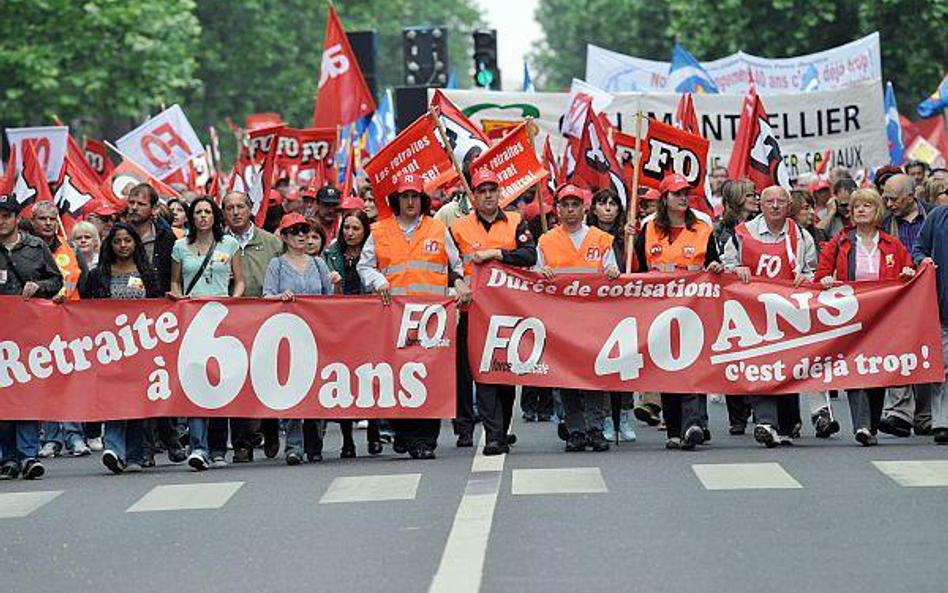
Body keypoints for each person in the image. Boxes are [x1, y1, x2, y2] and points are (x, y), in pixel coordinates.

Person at [357, 173, 470, 460]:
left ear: (422, 201)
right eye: (405, 196)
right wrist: (378, 282)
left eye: (415, 197)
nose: (410, 202)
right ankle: (404, 433)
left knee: (428, 378)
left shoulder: (436, 229)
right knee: (399, 377)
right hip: (393, 319)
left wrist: (456, 285)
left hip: (431, 319)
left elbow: (455, 265)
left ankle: (425, 441)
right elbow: (364, 266)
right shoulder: (380, 230)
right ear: (397, 200)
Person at [816, 188, 916, 445]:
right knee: (854, 368)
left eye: (867, 206)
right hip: (849, 317)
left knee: (877, 369)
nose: (860, 209)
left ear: (877, 212)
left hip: (883, 319)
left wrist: (909, 271)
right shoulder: (840, 241)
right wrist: (826, 279)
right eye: (857, 206)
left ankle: (870, 426)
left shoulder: (892, 244)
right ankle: (861, 425)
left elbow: (910, 272)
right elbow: (821, 274)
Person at [723, 185, 819, 447]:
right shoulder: (742, 234)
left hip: (789, 315)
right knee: (762, 365)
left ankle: (787, 424)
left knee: (787, 366)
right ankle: (765, 421)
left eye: (780, 201)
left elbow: (814, 271)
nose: (775, 206)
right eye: (769, 201)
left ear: (789, 206)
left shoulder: (801, 236)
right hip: (754, 315)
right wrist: (737, 270)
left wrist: (806, 278)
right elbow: (726, 268)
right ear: (760, 205)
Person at [633, 173, 723, 451]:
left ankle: (694, 424)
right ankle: (674, 429)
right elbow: (634, 270)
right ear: (665, 198)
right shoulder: (647, 231)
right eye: (677, 194)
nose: (683, 198)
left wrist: (716, 268)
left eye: (686, 193)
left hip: (693, 310)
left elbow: (714, 263)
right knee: (667, 367)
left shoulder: (702, 229)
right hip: (658, 311)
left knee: (693, 365)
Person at [452, 168, 537, 455]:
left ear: (500, 192)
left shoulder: (516, 220)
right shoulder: (459, 227)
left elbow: (529, 256)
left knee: (505, 371)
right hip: (473, 311)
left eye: (492, 190)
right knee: (482, 370)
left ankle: (501, 428)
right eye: (482, 191)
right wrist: (458, 282)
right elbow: (450, 265)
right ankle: (493, 435)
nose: (488, 196)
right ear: (473, 195)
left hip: (509, 311)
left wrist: (497, 254)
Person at [537, 183, 619, 453]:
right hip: (560, 322)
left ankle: (595, 429)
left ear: (584, 208)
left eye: (575, 205)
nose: (570, 210)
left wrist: (611, 274)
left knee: (594, 375)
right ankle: (575, 430)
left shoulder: (600, 239)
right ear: (557, 209)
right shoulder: (546, 241)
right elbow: (534, 280)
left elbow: (613, 272)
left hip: (593, 320)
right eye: (565, 205)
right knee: (566, 378)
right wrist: (542, 274)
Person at [169, 197, 246, 470]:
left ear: (215, 216)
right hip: (192, 321)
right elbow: (176, 281)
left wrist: (234, 303)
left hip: (222, 319)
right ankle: (198, 447)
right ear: (192, 217)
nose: (203, 216)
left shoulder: (230, 244)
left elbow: (240, 281)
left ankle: (217, 450)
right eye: (198, 212)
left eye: (207, 212)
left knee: (219, 382)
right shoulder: (180, 246)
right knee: (195, 382)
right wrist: (179, 300)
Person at [81, 223, 163, 471]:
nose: (123, 245)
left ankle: (135, 456)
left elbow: (159, 307)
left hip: (140, 348)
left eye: (128, 240)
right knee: (113, 399)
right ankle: (114, 449)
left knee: (136, 402)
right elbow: (84, 308)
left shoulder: (147, 274)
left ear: (135, 243)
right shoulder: (97, 275)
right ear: (110, 244)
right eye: (118, 241)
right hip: (109, 348)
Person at [0, 193, 63, 480]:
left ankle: (28, 456)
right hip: (1, 336)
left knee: (24, 394)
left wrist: (38, 286)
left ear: (16, 218)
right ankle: (7, 458)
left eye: (6, 215)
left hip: (28, 334)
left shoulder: (35, 247)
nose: (2, 221)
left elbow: (56, 280)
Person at [263, 213, 333, 465]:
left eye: (305, 229)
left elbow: (329, 299)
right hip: (289, 336)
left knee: (317, 386)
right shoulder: (277, 265)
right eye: (296, 231)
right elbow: (266, 296)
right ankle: (293, 444)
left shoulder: (318, 264)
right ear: (284, 237)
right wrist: (280, 296)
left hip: (316, 335)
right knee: (293, 389)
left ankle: (315, 440)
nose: (302, 235)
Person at [222, 190, 285, 462]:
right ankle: (241, 443)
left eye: (240, 207)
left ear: (250, 210)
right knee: (234, 380)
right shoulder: (218, 243)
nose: (235, 212)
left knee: (266, 378)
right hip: (229, 321)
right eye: (229, 208)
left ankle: (270, 429)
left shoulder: (271, 242)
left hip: (265, 320)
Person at [28, 202, 91, 459]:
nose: (48, 224)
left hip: (70, 324)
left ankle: (76, 436)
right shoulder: (26, 250)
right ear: (33, 222)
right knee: (48, 383)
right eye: (42, 219)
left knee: (71, 381)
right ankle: (52, 438)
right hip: (38, 326)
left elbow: (85, 282)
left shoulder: (72, 248)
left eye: (52, 219)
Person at [878, 173, 934, 437]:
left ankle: (925, 416)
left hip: (930, 297)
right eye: (885, 198)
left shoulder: (935, 217)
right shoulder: (884, 222)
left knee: (926, 354)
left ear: (911, 197)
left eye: (893, 199)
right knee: (898, 351)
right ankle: (899, 413)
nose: (888, 204)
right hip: (897, 298)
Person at [324, 208, 384, 456]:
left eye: (356, 228)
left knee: (371, 377)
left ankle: (374, 432)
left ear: (365, 231)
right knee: (344, 379)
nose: (350, 233)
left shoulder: (373, 254)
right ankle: (347, 440)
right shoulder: (332, 253)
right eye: (346, 228)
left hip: (369, 322)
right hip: (341, 323)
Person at [587, 187, 636, 442]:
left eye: (613, 204)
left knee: (625, 362)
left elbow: (638, 269)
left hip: (624, 308)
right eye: (602, 203)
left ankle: (625, 414)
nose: (608, 208)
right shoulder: (587, 236)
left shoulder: (625, 237)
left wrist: (630, 242)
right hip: (595, 311)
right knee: (603, 363)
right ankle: (605, 417)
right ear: (593, 209)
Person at [913, 200, 948, 444]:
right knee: (943, 368)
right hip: (943, 307)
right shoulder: (937, 216)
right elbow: (918, 248)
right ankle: (942, 422)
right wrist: (923, 261)